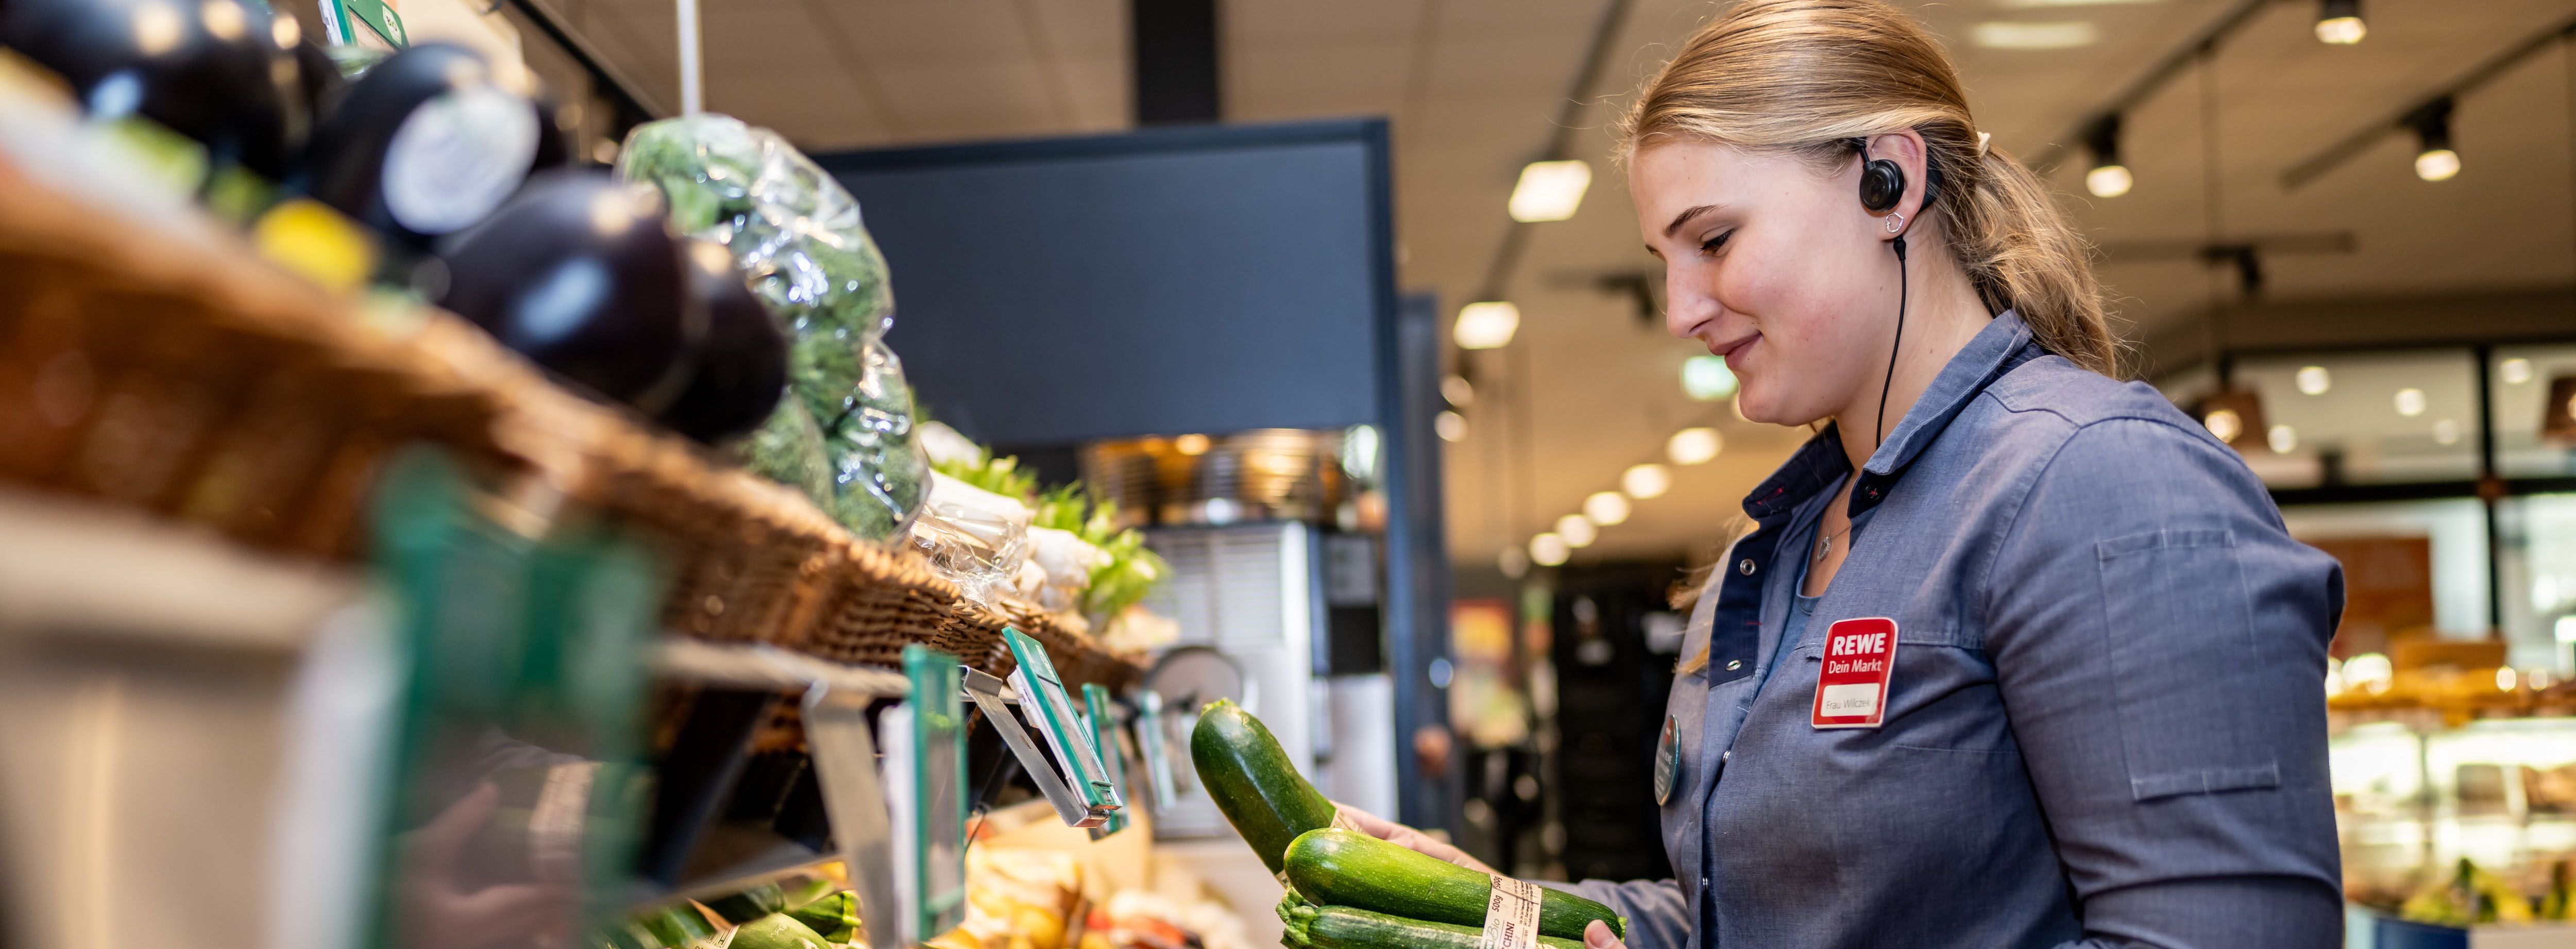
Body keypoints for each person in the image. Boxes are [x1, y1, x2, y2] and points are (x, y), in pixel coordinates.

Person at [1352, 1, 2348, 946]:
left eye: (1714, 240)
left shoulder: (2097, 482)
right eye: (1664, 258)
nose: (1680, 309)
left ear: (1891, 185)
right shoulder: (1774, 550)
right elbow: (1743, 919)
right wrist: (1482, 908)